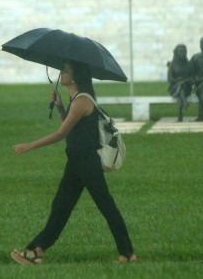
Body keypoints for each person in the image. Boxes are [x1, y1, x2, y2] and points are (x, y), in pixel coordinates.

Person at [10, 61, 136, 265]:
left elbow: (62, 133)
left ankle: (128, 253)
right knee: (61, 205)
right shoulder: (75, 100)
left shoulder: (82, 101)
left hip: (86, 162)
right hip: (77, 161)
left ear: (75, 77)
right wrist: (60, 105)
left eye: (65, 71)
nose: (61, 74)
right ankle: (37, 251)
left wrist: (30, 146)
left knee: (106, 206)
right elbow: (71, 129)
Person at [167, 44, 193, 122]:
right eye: (181, 51)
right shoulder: (172, 65)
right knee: (180, 87)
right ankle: (184, 102)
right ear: (176, 53)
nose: (183, 53)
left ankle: (180, 114)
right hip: (174, 88)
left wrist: (185, 81)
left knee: (181, 88)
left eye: (184, 51)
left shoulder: (188, 64)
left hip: (186, 88)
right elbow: (170, 78)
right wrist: (178, 81)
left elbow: (192, 78)